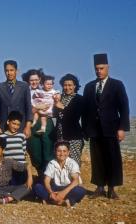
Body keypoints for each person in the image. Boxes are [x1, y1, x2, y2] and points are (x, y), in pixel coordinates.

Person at [82, 53, 130, 199]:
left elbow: (124, 108)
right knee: (97, 159)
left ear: (108, 67)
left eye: (102, 68)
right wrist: (86, 130)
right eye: (96, 69)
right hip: (95, 131)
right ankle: (99, 187)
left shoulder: (117, 85)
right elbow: (85, 110)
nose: (99, 71)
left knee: (112, 158)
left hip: (111, 129)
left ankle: (112, 188)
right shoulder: (89, 87)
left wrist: (122, 128)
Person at [22, 69, 55, 178]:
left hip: (46, 121)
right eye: (31, 80)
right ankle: (41, 175)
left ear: (40, 79)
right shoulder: (25, 93)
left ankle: (49, 177)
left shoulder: (46, 90)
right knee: (35, 151)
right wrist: (36, 108)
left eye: (36, 79)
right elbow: (25, 110)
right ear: (28, 81)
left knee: (48, 148)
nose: (34, 82)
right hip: (32, 123)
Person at [0, 136, 31, 206]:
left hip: (7, 188)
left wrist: (30, 178)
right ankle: (11, 197)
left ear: (3, 150)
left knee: (27, 187)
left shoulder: (8, 161)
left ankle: (6, 199)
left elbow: (27, 165)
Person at [33, 141, 86, 207]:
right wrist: (51, 192)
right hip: (55, 188)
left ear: (68, 152)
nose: (62, 154)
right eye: (59, 151)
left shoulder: (73, 163)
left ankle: (50, 200)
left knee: (80, 190)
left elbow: (76, 181)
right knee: (37, 187)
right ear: (55, 152)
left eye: (64, 151)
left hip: (68, 188)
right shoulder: (52, 163)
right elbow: (46, 180)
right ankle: (65, 201)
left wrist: (63, 193)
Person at [0, 60, 32, 138]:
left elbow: (28, 107)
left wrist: (28, 127)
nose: (9, 73)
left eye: (11, 70)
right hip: (4, 126)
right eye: (6, 71)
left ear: (17, 71)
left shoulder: (24, 86)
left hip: (20, 126)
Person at [53, 74, 84, 166]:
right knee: (61, 162)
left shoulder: (79, 99)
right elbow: (54, 115)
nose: (67, 87)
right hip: (59, 135)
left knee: (74, 162)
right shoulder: (59, 98)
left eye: (70, 85)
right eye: (65, 85)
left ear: (75, 86)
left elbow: (75, 116)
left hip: (74, 136)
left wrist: (62, 107)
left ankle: (76, 180)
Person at [0, 111, 33, 188]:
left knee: (27, 187)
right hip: (9, 170)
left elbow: (25, 154)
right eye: (14, 123)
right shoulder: (1, 137)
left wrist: (30, 175)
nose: (16, 127)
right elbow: (1, 156)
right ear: (8, 122)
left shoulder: (21, 136)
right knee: (11, 187)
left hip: (21, 169)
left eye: (18, 125)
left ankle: (15, 193)